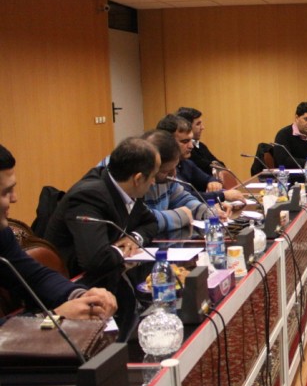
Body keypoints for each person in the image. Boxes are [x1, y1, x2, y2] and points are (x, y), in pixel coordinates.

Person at [45, 137, 160, 335]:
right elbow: (95, 259)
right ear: (138, 178)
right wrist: (121, 250)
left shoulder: (124, 188)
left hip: (108, 280)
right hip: (73, 287)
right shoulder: (89, 196)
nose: (154, 182)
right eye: (153, 176)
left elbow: (151, 223)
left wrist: (134, 238)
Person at [0, 144, 117, 320]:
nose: (15, 198)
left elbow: (35, 277)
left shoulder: (2, 234)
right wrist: (53, 317)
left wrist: (80, 296)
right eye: (5, 192)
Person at [142, 130, 227, 232]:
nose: (174, 174)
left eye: (175, 167)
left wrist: (207, 211)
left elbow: (183, 199)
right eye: (166, 171)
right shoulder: (139, 186)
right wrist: (181, 216)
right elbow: (144, 219)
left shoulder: (168, 179)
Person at [156, 114, 243, 204]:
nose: (191, 146)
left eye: (191, 140)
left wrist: (213, 182)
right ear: (167, 142)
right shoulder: (164, 169)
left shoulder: (186, 163)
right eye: (185, 141)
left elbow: (207, 178)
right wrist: (222, 195)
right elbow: (186, 197)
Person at [176, 106, 223, 177]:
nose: (202, 127)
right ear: (187, 126)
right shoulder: (186, 150)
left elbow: (221, 166)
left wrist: (213, 165)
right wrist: (213, 165)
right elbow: (206, 168)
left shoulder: (201, 145)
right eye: (198, 124)